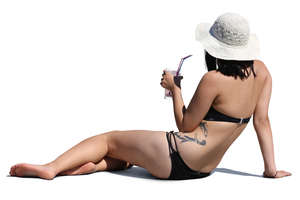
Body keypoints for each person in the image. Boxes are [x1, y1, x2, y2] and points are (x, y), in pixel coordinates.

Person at [9, 12, 291, 180]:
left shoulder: (213, 79)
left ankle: (50, 168)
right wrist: (270, 170)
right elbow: (262, 122)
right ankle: (91, 168)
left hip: (177, 154)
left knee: (109, 138)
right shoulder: (263, 72)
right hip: (204, 169)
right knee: (126, 155)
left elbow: (186, 126)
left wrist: (175, 88)